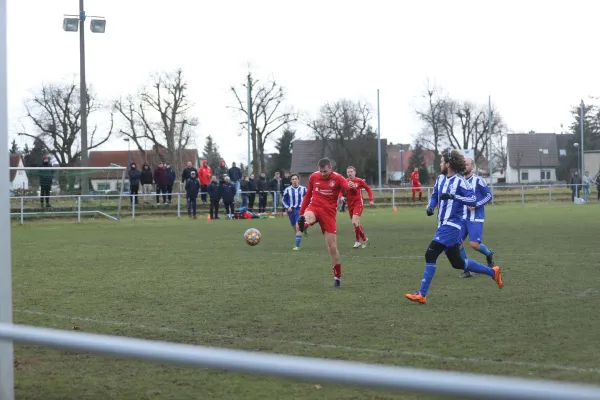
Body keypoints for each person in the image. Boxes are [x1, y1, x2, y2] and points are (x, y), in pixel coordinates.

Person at [405, 149, 503, 305]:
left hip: (452, 226)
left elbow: (472, 199)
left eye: (442, 161)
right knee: (458, 263)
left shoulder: (460, 181)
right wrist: (430, 207)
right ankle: (493, 272)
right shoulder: (440, 179)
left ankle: (421, 294)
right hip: (442, 225)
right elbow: (435, 196)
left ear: (449, 164)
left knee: (430, 254)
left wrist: (454, 196)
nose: (440, 164)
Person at [298, 158, 355, 288]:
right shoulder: (314, 177)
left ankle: (337, 278)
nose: (323, 174)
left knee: (332, 247)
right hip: (315, 207)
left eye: (325, 171)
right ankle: (305, 223)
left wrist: (351, 187)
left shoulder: (338, 178)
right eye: (321, 171)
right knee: (308, 215)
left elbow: (347, 187)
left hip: (328, 214)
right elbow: (308, 195)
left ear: (330, 168)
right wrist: (301, 212)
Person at [457, 158, 495, 278]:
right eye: (463, 164)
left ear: (472, 167)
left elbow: (489, 196)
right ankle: (467, 270)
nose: (465, 166)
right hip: (462, 218)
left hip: (475, 218)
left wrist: (476, 205)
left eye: (467, 164)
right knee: (457, 243)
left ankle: (488, 253)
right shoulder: (460, 181)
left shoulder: (478, 180)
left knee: (474, 244)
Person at [340, 166, 374, 249]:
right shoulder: (345, 181)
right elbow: (340, 191)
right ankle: (364, 239)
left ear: (355, 172)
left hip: (358, 203)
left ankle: (357, 241)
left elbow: (368, 189)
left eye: (351, 171)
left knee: (355, 222)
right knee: (356, 224)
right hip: (350, 204)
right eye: (348, 172)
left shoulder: (359, 181)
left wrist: (371, 199)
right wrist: (341, 197)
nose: (350, 173)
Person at [282, 173, 307, 251]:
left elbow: (309, 198)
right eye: (293, 179)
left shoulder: (304, 189)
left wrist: (307, 207)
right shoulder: (287, 190)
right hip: (291, 211)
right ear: (291, 181)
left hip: (300, 209)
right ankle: (303, 228)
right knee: (295, 228)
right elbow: (284, 200)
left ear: (298, 180)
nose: (294, 180)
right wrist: (287, 207)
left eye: (296, 179)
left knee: (298, 227)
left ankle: (297, 246)